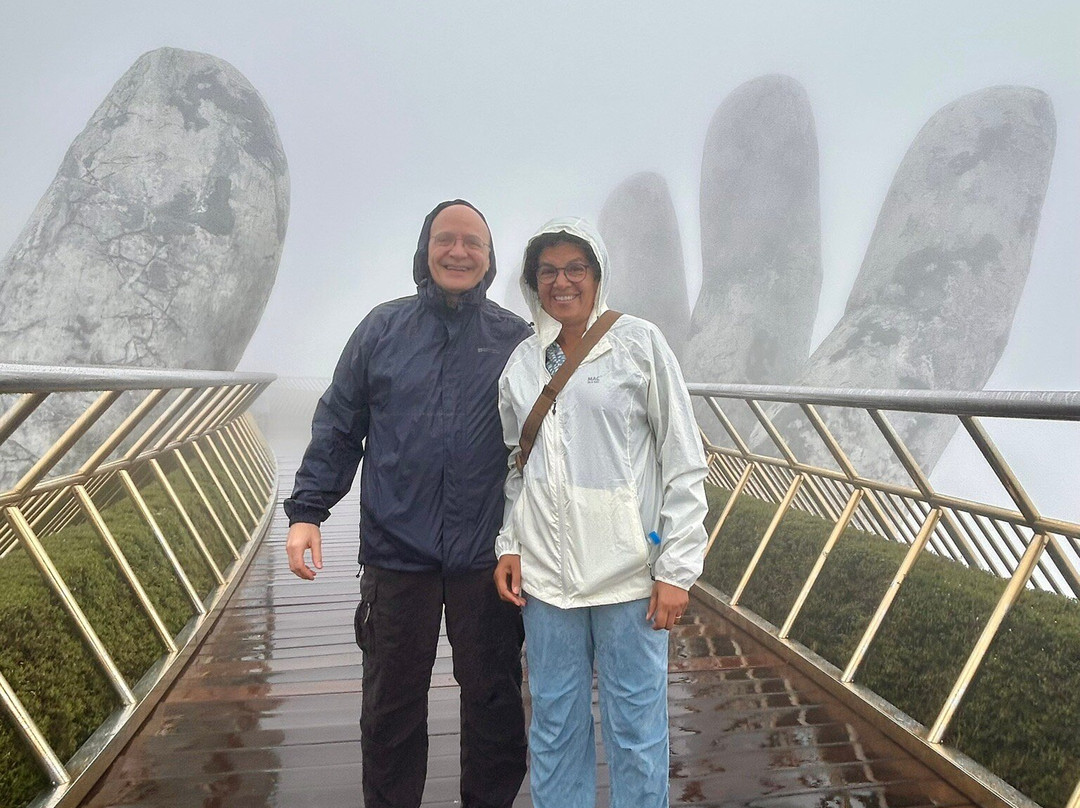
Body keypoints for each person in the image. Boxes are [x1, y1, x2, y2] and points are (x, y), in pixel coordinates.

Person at [284, 200, 531, 808]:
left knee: (494, 701)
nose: (458, 252)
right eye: (445, 239)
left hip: (487, 556)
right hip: (396, 554)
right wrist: (308, 511)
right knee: (390, 707)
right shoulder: (382, 330)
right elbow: (341, 423)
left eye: (473, 242)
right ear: (424, 249)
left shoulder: (515, 340)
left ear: (490, 258)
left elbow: (546, 446)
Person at [493, 217, 708, 808]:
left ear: (597, 274)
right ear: (532, 282)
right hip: (547, 579)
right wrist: (509, 544)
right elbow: (518, 467)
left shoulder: (639, 344)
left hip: (628, 577)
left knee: (637, 731)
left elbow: (684, 460)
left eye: (575, 269)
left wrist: (676, 570)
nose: (561, 282)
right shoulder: (521, 364)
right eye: (548, 271)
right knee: (555, 725)